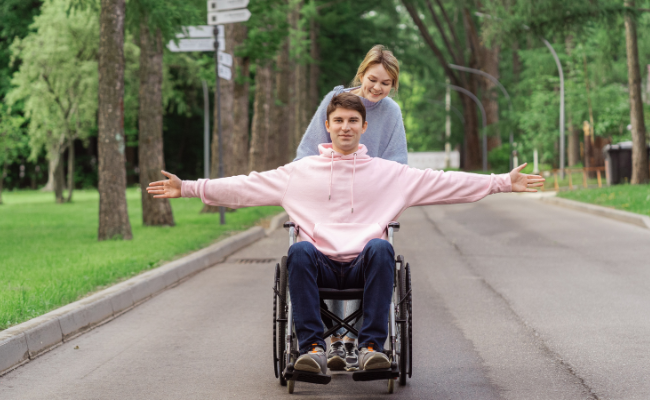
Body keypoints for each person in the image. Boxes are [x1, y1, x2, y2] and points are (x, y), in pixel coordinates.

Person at [147, 93, 544, 376]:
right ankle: (312, 349)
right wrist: (190, 187)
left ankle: (373, 347)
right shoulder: (299, 174)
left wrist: (501, 183)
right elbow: (246, 186)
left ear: (364, 127)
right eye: (338, 121)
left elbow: (443, 182)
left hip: (363, 266)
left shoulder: (390, 175)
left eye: (353, 121)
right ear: (328, 125)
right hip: (317, 266)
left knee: (381, 247)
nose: (346, 127)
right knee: (298, 251)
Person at [296, 44, 406, 371]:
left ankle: (358, 341)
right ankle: (330, 341)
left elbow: (399, 161)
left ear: (392, 85)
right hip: (328, 191)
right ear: (362, 74)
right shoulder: (335, 104)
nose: (377, 88)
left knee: (369, 246)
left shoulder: (392, 113)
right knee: (323, 245)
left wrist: (377, 183)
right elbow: (305, 153)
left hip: (371, 195)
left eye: (385, 83)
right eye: (373, 79)